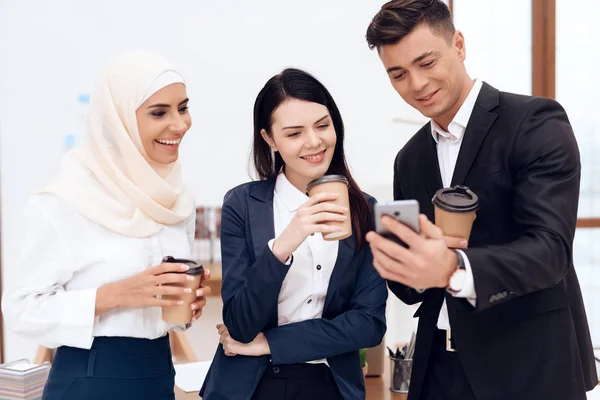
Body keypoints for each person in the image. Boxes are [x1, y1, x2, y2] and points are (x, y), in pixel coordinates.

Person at [363, 1, 598, 400]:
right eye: (398, 74)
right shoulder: (410, 158)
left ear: (458, 44)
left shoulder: (535, 122)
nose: (416, 84)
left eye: (426, 62)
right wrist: (396, 259)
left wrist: (453, 267)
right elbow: (410, 290)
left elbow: (549, 252)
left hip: (526, 367)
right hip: (438, 368)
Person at [2, 50, 211, 400]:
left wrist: (185, 311)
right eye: (159, 112)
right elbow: (21, 310)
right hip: (90, 378)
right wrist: (113, 295)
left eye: (183, 107)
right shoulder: (63, 202)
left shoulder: (175, 200)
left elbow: (161, 316)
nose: (179, 124)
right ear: (118, 120)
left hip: (158, 373)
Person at [200, 68, 388, 400]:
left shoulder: (365, 211)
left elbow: (368, 324)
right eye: (294, 133)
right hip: (252, 385)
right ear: (269, 139)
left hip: (330, 383)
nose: (314, 142)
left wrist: (270, 343)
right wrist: (285, 242)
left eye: (322, 125)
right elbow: (240, 324)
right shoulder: (242, 205)